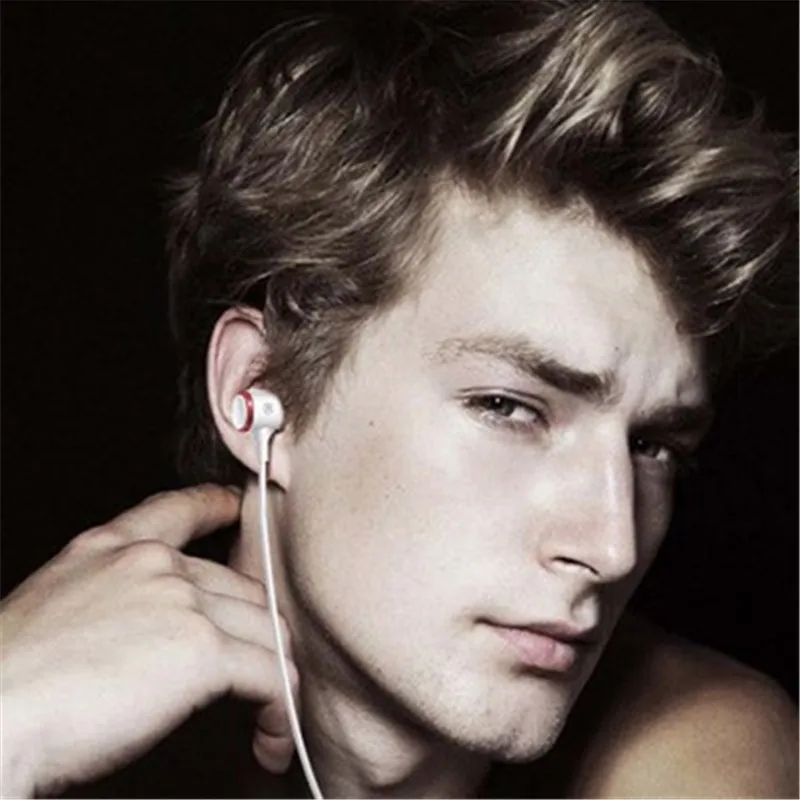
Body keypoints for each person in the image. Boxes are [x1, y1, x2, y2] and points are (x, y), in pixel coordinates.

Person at [1, 2, 797, 797]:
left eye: (654, 446)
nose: (612, 548)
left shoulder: (692, 749)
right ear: (259, 390)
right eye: (508, 407)